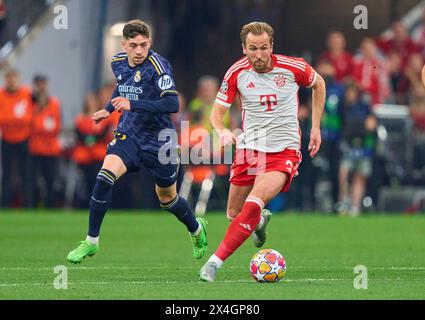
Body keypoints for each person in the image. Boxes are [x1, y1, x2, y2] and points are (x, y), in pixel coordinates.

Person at [67, 20, 207, 264]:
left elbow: (172, 104)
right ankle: (91, 242)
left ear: (150, 42)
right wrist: (108, 109)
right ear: (124, 45)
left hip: (160, 141)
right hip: (128, 134)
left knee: (168, 199)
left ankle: (196, 228)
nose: (140, 50)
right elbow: (123, 88)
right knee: (104, 177)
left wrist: (133, 105)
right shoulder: (117, 62)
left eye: (144, 44)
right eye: (134, 45)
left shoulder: (159, 66)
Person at [199, 21, 325, 282]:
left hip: (284, 150)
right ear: (244, 48)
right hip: (249, 149)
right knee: (234, 214)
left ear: (272, 46)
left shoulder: (294, 67)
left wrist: (315, 127)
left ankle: (214, 263)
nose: (259, 54)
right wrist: (221, 131)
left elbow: (319, 84)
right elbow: (216, 113)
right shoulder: (236, 72)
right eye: (253, 49)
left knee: (254, 202)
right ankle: (258, 222)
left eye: (264, 48)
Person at [337, 82, 377, 216]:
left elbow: (372, 124)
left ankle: (355, 207)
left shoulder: (364, 107)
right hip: (348, 146)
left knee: (359, 177)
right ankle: (343, 203)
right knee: (343, 174)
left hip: (363, 146)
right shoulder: (343, 107)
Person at [0, 69, 33, 207]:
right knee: (6, 175)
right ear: (6, 80)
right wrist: (16, 119)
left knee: (25, 174)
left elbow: (28, 118)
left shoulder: (26, 94)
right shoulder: (1, 95)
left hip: (24, 139)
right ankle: (5, 205)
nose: (12, 81)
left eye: (14, 78)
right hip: (7, 139)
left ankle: (28, 205)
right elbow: (3, 119)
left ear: (18, 79)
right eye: (9, 78)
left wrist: (13, 120)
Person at [29, 74, 62, 208]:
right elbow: (30, 125)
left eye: (43, 84)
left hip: (51, 150)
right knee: (32, 181)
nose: (41, 87)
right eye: (39, 84)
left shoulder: (54, 103)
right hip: (35, 149)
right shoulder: (30, 103)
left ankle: (49, 207)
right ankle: (32, 206)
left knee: (50, 181)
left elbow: (56, 127)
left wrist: (41, 126)